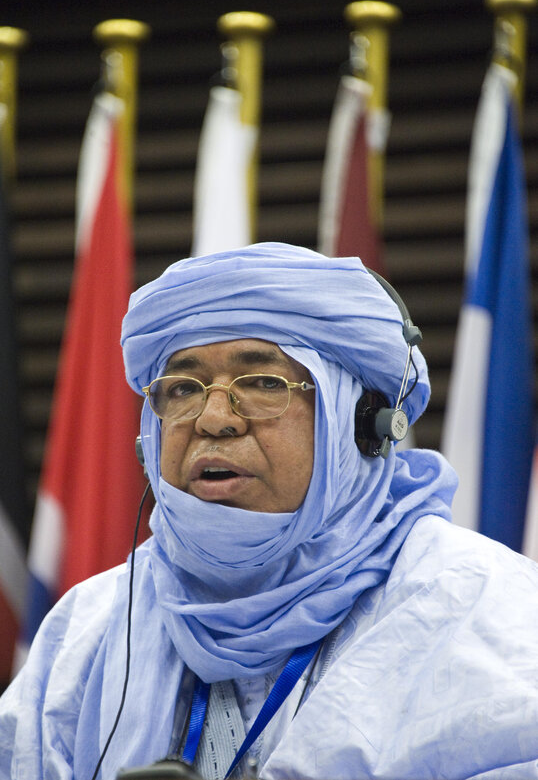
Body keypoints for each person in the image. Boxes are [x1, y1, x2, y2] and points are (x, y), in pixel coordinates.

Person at [1, 242, 538, 780]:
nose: (213, 420)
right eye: (184, 389)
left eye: (262, 384)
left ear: (361, 423)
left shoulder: (483, 608)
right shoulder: (86, 628)